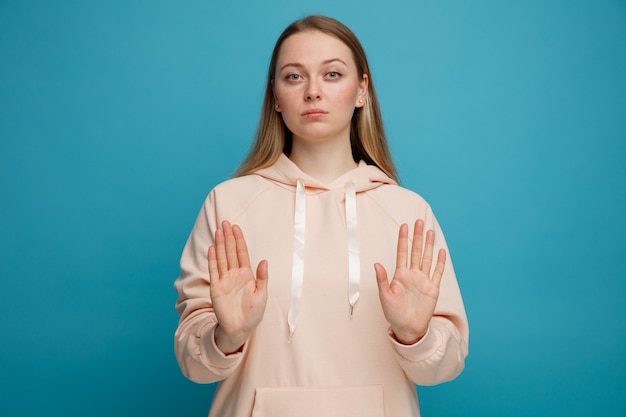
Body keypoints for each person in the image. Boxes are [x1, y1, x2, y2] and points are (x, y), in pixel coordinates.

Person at [174, 15, 469, 417]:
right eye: (294, 77)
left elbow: (446, 367)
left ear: (361, 90)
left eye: (332, 74)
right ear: (275, 96)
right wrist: (228, 336)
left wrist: (415, 334)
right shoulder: (227, 205)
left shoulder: (408, 213)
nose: (313, 91)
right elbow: (193, 365)